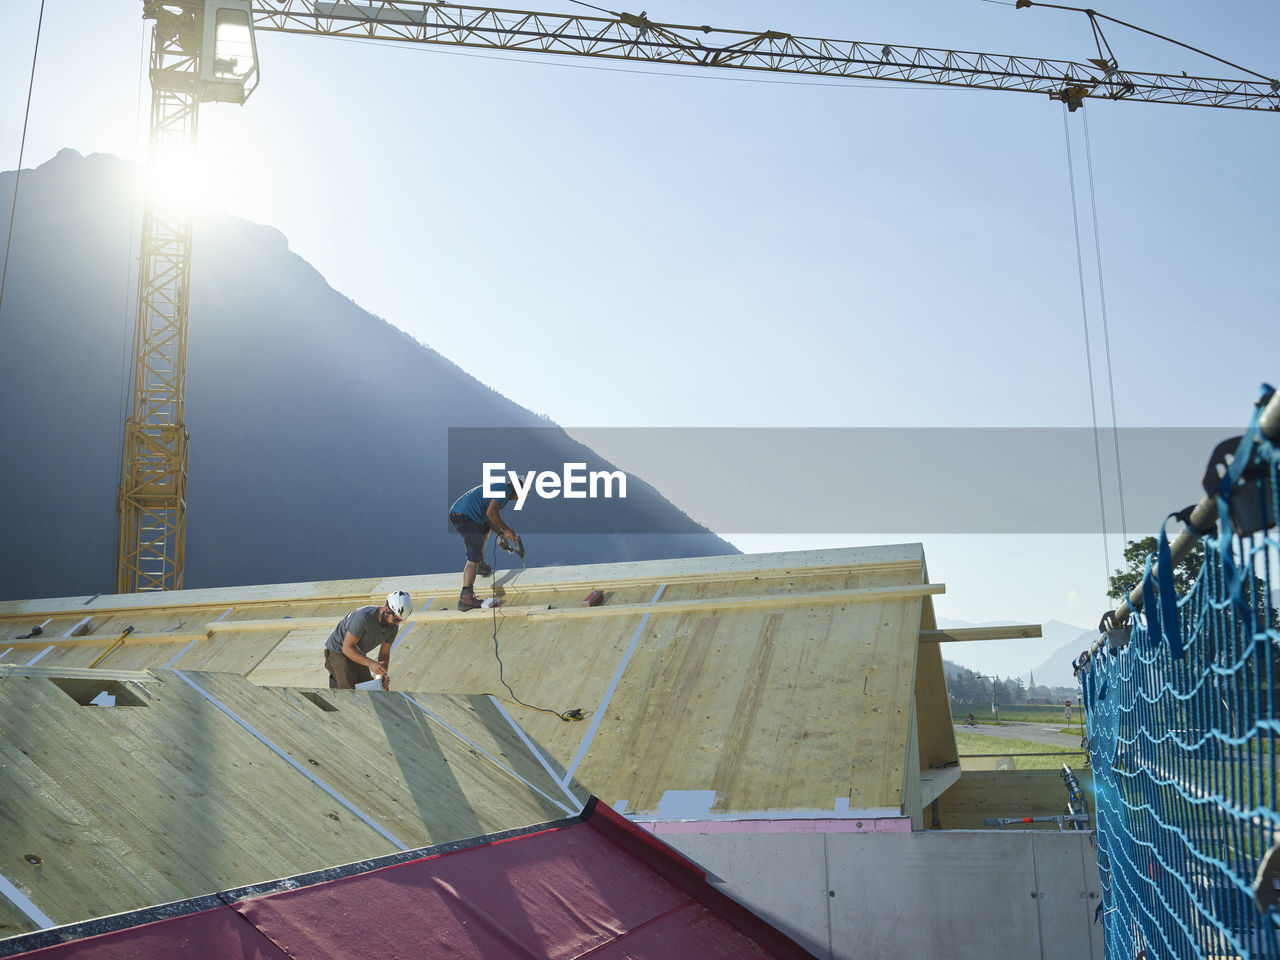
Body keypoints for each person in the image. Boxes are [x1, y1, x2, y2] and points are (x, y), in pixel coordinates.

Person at [448, 481, 519, 610]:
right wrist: (507, 529)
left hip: (462, 514)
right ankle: (466, 598)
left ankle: (479, 564)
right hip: (466, 516)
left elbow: (488, 518)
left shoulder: (500, 488)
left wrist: (501, 535)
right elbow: (491, 513)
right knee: (472, 559)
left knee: (485, 528)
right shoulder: (505, 490)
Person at [323, 590, 412, 690]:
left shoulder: (393, 627)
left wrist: (382, 674)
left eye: (400, 621)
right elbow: (347, 648)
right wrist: (371, 663)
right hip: (337, 651)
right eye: (395, 619)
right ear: (386, 609)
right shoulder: (363, 617)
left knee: (371, 691)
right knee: (349, 692)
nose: (396, 624)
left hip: (357, 652)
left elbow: (384, 654)